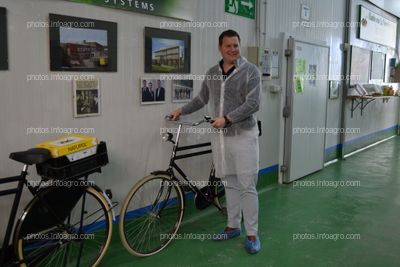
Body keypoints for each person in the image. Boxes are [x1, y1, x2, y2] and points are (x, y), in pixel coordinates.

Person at [169, 29, 261, 254]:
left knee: (247, 186)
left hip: (243, 135)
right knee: (228, 181)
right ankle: (232, 226)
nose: (233, 50)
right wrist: (181, 110)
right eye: (228, 46)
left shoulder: (250, 71)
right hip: (220, 137)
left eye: (236, 45)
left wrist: (228, 118)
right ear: (220, 48)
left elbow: (253, 104)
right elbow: (202, 98)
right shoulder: (212, 73)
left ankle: (252, 233)